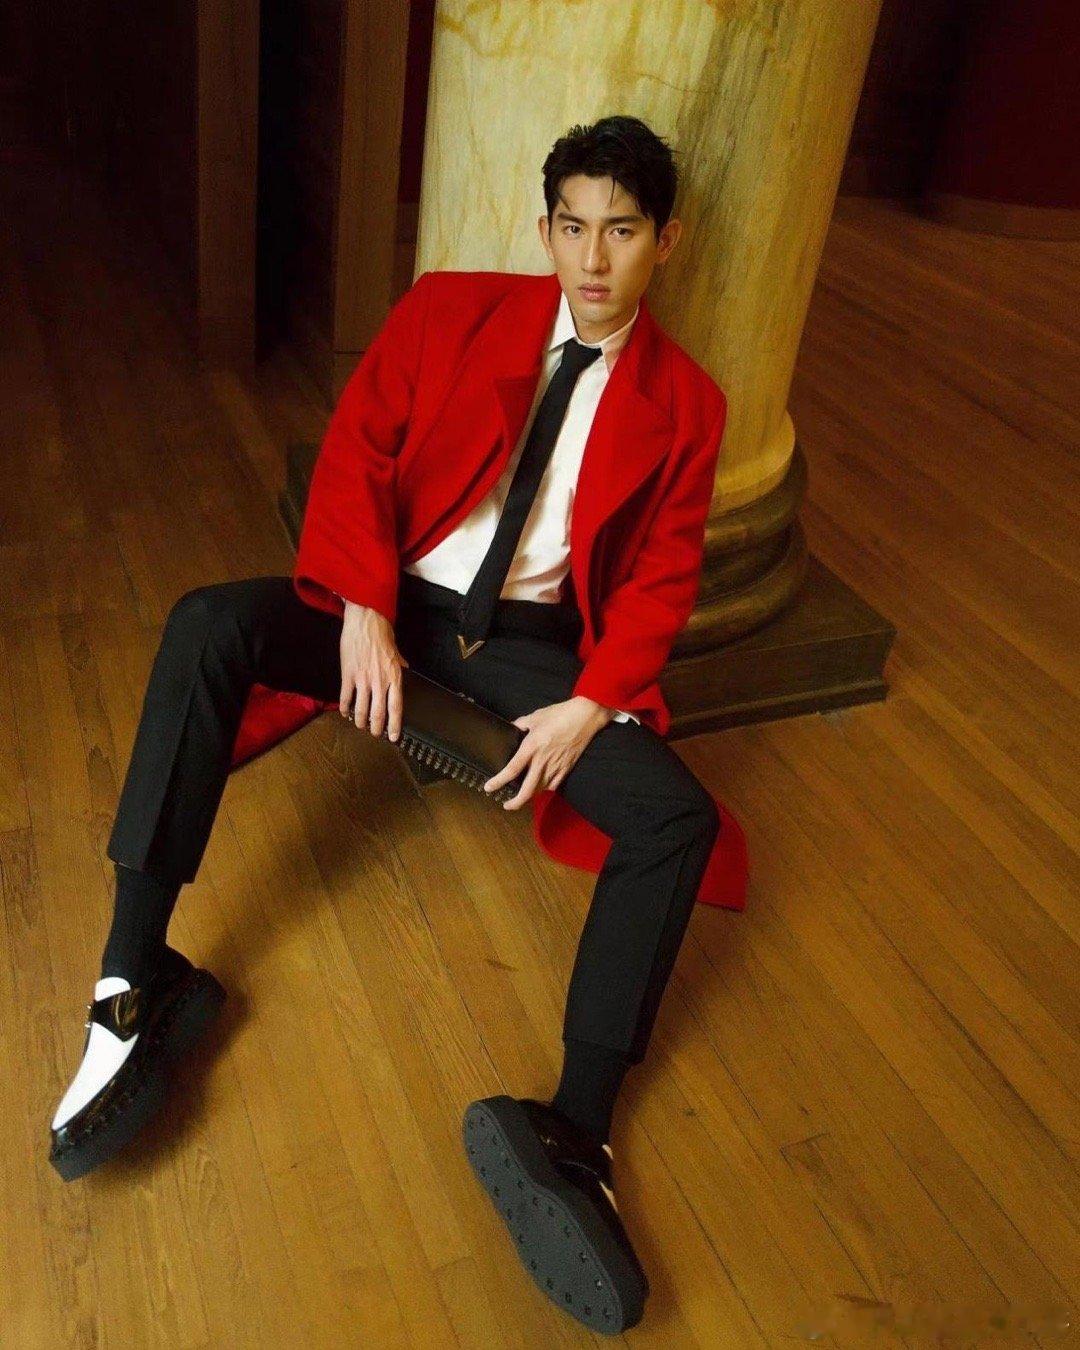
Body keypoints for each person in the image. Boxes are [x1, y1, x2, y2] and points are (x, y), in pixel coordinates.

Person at [48, 114, 731, 1335]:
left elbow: (664, 574)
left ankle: (575, 1134)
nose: (592, 259)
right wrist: (362, 604)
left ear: (665, 242)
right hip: (394, 600)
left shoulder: (690, 403)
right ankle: (132, 981)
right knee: (208, 623)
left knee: (676, 817)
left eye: (622, 232)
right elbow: (359, 448)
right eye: (572, 227)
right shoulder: (450, 309)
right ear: (545, 229)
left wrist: (591, 700)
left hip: (534, 652)